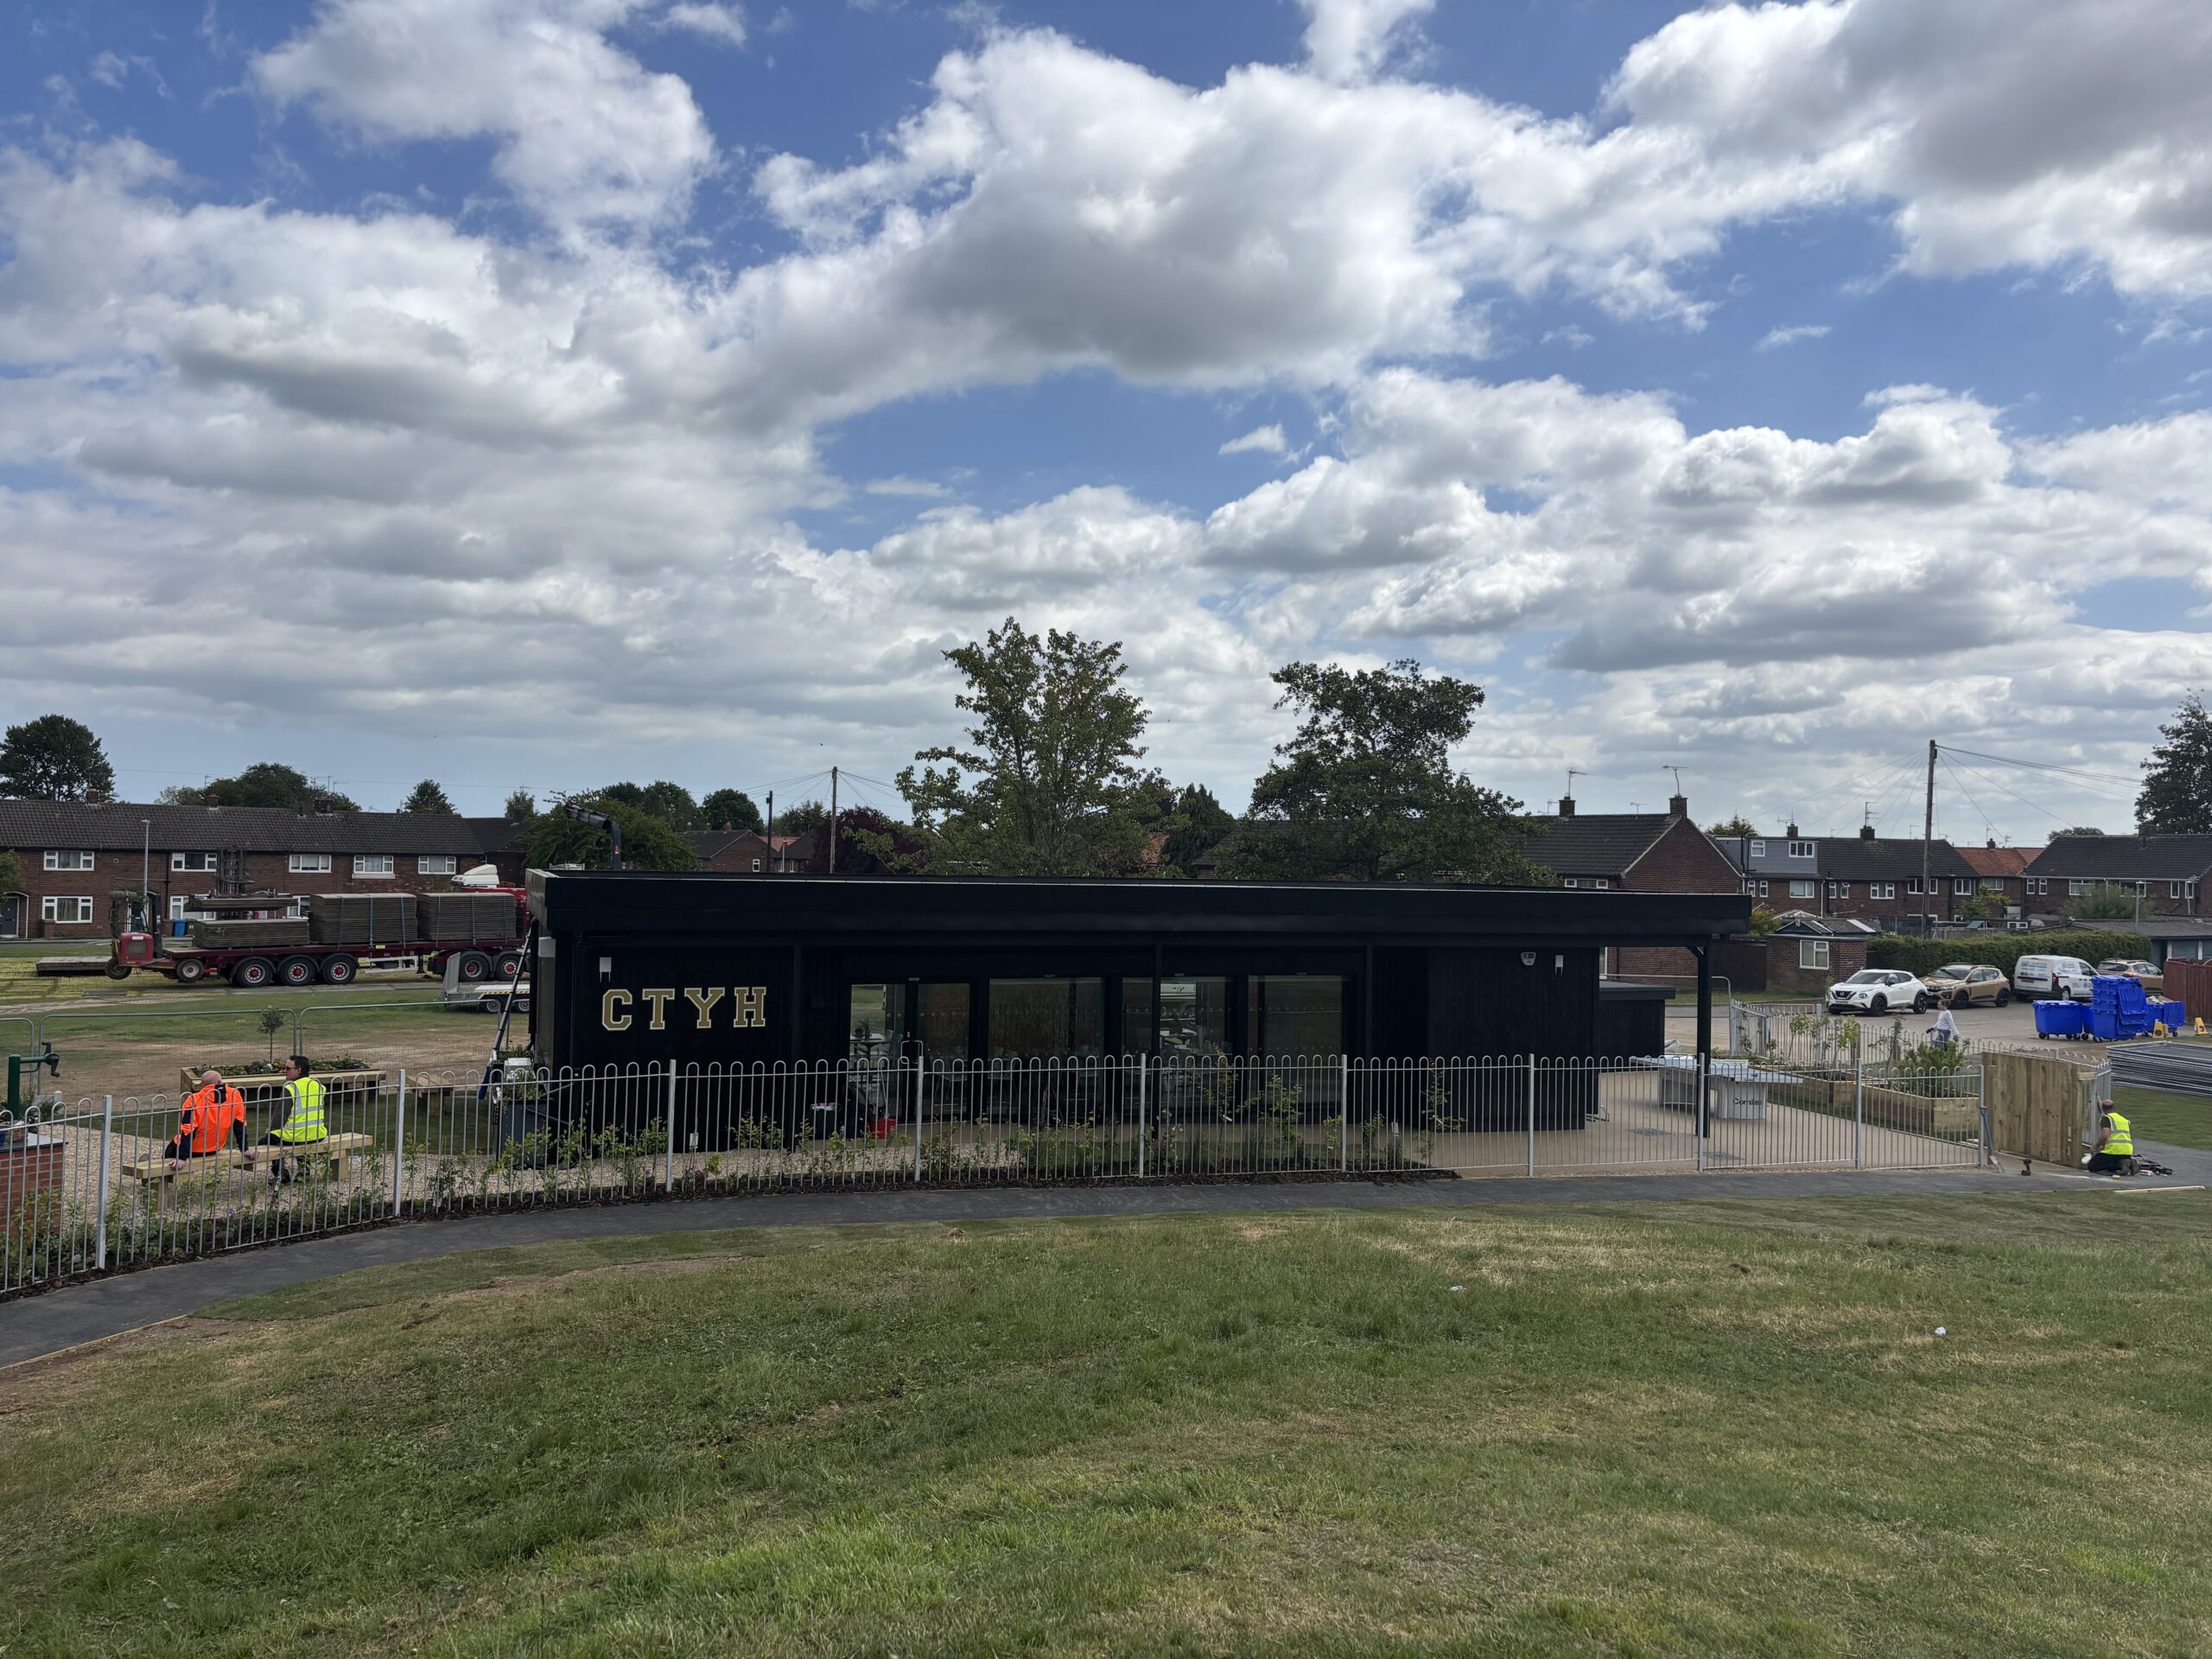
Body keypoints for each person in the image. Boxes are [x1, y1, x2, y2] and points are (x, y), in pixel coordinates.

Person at [246, 1054, 329, 1183]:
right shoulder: (318, 1085)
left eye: (288, 1068)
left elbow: (279, 1117)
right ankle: (304, 1172)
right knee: (301, 1140)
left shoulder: (291, 1088)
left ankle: (281, 1175)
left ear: (299, 1070)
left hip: (297, 1135)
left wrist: (271, 1130)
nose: (285, 1071)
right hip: (317, 1133)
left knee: (265, 1141)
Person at [163, 1069, 246, 1169]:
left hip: (192, 1151)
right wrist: (245, 1148)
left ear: (202, 1084)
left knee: (166, 1157)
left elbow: (188, 1130)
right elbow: (240, 1125)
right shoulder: (235, 1095)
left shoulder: (193, 1100)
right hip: (215, 1148)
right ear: (220, 1082)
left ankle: (154, 1178)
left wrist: (182, 1157)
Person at [2087, 1101, 2134, 1176]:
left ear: (2103, 1109)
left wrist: (2095, 1147)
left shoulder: (2106, 1118)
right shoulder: (2124, 1120)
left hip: (2113, 1151)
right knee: (2108, 1160)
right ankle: (2125, 1163)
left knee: (2092, 1165)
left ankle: (2118, 1166)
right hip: (2127, 1151)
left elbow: (2105, 1134)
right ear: (2114, 1108)